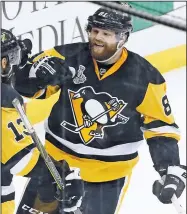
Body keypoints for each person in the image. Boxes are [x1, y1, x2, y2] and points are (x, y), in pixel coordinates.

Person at [14, 2, 186, 214]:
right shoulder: (67, 56)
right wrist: (33, 78)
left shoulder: (145, 77)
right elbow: (27, 89)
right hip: (55, 167)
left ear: (122, 38)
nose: (97, 38)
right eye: (94, 31)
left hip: (106, 178)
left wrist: (168, 168)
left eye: (106, 33)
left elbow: (160, 127)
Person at [1, 29, 83, 214]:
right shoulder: (5, 101)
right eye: (11, 59)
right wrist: (57, 175)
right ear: (3, 62)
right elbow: (20, 159)